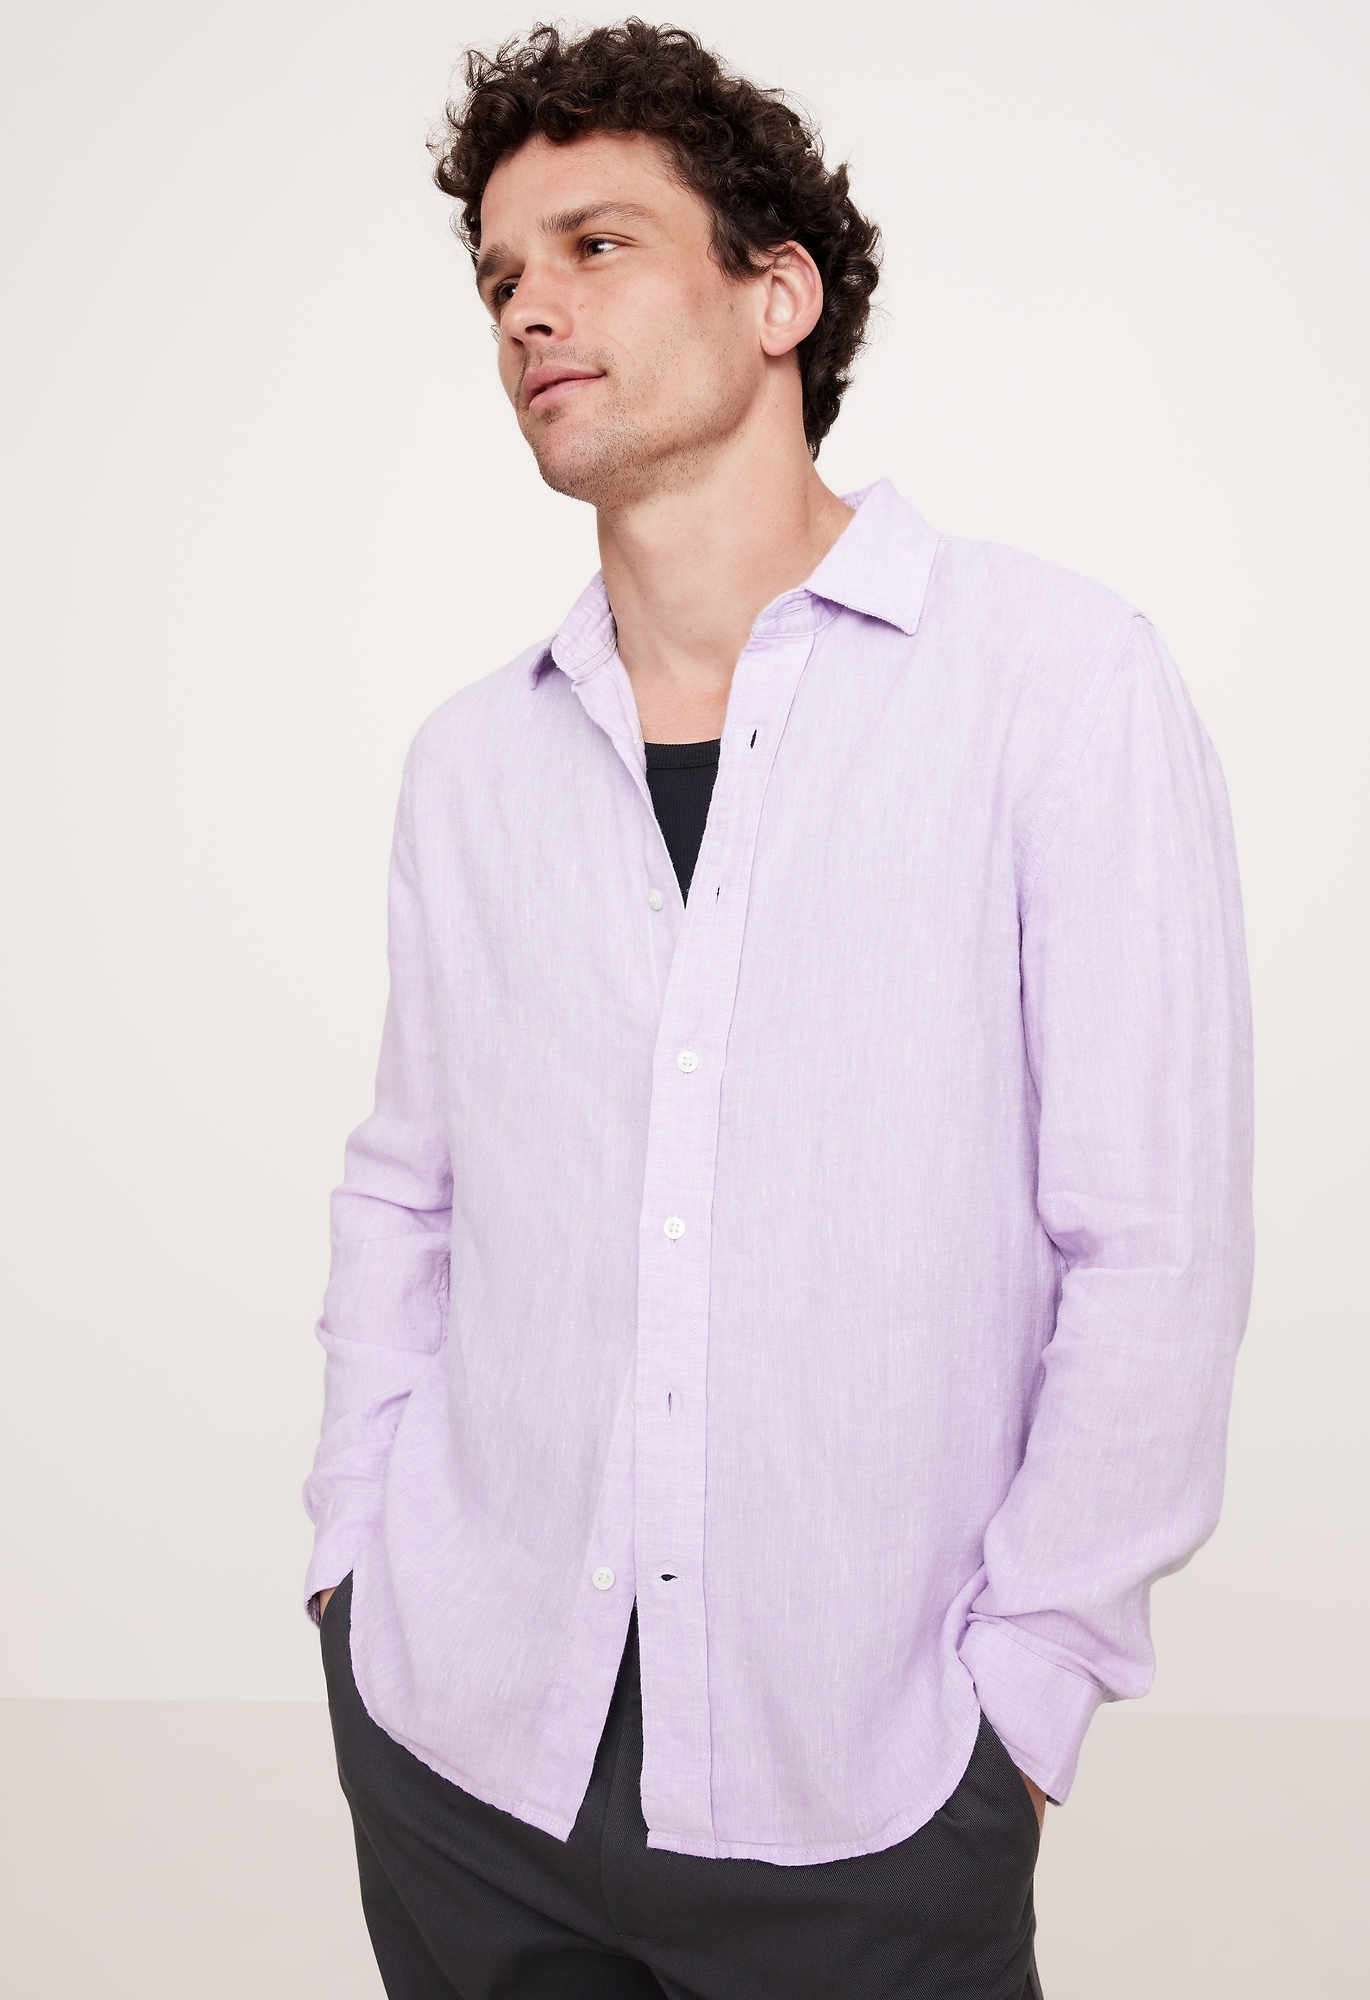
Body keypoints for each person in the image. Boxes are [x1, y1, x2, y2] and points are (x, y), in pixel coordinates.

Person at [303, 21, 1254, 2000]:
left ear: (778, 298)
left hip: (870, 1789)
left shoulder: (1055, 687)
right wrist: (351, 1557)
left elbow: (1154, 1244)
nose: (530, 309)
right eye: (501, 275)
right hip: (467, 1749)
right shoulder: (471, 765)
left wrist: (1024, 1702)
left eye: (596, 246)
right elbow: (409, 1189)